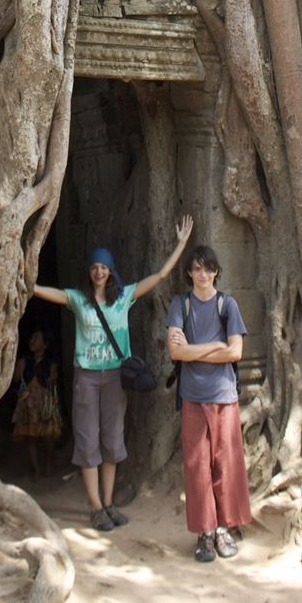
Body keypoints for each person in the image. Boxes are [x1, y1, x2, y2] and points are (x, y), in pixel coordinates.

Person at [33, 214, 193, 531]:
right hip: (87, 379)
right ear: (89, 272)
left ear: (110, 271)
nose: (99, 272)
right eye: (94, 267)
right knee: (87, 440)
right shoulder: (79, 300)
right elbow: (48, 292)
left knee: (112, 441)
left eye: (104, 267)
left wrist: (181, 243)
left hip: (116, 378)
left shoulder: (123, 299)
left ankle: (108, 503)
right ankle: (94, 507)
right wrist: (27, 282)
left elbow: (160, 275)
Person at [167, 243, 252, 563]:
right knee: (196, 466)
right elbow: (176, 353)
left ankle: (223, 529)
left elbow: (235, 352)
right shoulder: (181, 304)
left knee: (225, 464)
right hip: (193, 396)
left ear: (216, 271)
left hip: (224, 396)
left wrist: (197, 348)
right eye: (196, 268)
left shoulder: (228, 305)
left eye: (208, 268)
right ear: (189, 272)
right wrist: (214, 345)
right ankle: (204, 532)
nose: (202, 274)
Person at [12, 327, 63, 477]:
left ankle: (48, 462)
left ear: (45, 345)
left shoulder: (51, 361)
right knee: (31, 437)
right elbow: (16, 380)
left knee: (47, 436)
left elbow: (53, 380)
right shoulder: (25, 360)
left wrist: (52, 376)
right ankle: (36, 470)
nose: (31, 341)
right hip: (27, 403)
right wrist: (18, 368)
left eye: (36, 338)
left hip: (44, 404)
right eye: (31, 338)